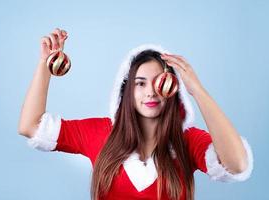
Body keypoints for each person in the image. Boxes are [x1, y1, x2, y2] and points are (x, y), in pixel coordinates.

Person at [18, 28, 253, 200]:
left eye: (159, 82)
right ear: (127, 91)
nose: (150, 92)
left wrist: (197, 90)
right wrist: (44, 65)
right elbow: (31, 126)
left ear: (173, 89)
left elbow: (237, 164)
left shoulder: (188, 141)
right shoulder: (100, 133)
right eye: (140, 83)